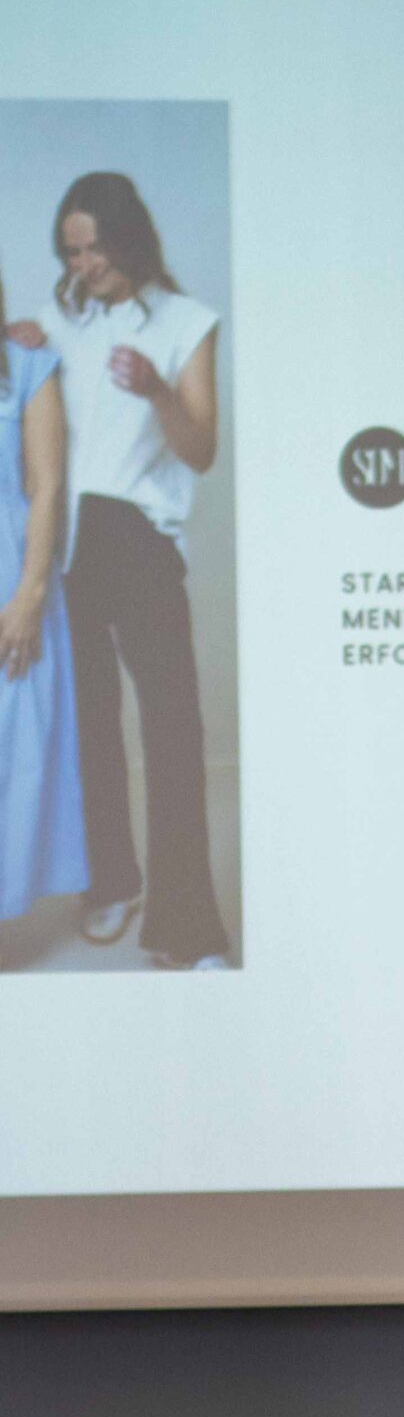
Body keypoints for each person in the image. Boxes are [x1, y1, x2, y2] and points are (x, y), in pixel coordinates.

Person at [15, 172, 230, 968]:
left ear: (128, 237)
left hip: (136, 537)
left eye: (95, 248)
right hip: (66, 545)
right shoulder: (54, 325)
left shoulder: (187, 322)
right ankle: (110, 883)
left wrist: (159, 390)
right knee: (89, 729)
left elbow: (201, 450)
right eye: (71, 253)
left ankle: (186, 929)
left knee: (173, 733)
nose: (84, 265)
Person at [0, 255, 87, 937]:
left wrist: (30, 594)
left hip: (11, 576)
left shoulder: (27, 369)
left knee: (12, 749)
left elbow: (47, 483)